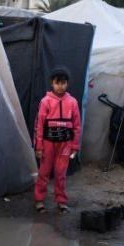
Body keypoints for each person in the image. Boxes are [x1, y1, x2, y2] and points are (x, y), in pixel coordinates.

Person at [33, 66, 81, 213]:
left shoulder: (72, 102)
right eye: (57, 83)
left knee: (61, 174)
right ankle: (39, 200)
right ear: (52, 83)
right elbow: (39, 125)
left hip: (65, 144)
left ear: (67, 84)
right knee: (44, 172)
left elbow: (77, 126)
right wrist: (39, 147)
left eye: (63, 83)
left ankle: (61, 201)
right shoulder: (45, 101)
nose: (60, 86)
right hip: (48, 143)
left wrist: (75, 146)